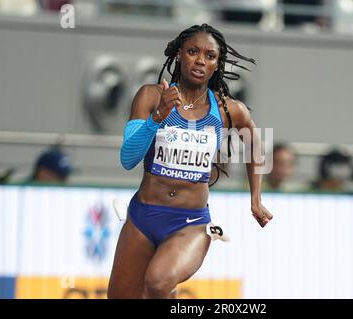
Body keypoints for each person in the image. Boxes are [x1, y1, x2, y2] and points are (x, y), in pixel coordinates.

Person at [107, 24, 273, 299]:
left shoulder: (229, 110)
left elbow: (255, 143)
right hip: (142, 217)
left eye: (210, 56)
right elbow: (128, 158)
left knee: (158, 281)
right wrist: (157, 117)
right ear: (179, 55)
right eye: (193, 52)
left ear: (217, 65)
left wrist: (255, 197)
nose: (200, 60)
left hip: (190, 222)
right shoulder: (150, 96)